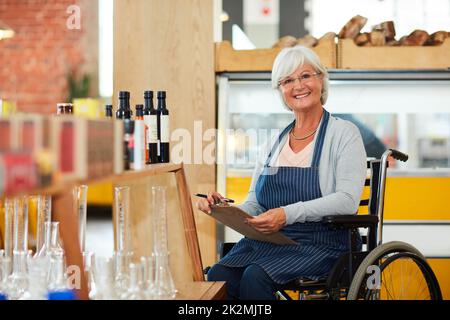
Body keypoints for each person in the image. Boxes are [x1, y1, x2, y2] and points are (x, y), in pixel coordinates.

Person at [197, 45, 367, 300]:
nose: (298, 85)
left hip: (323, 243)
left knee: (255, 276)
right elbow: (256, 203)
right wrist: (226, 209)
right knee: (220, 274)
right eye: (288, 80)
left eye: (306, 76)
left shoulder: (344, 133)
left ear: (321, 80)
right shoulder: (272, 143)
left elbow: (347, 201)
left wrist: (286, 215)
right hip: (272, 242)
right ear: (281, 91)